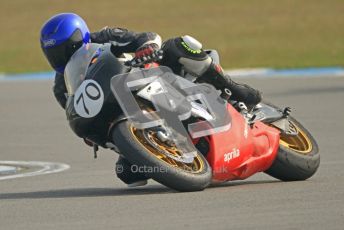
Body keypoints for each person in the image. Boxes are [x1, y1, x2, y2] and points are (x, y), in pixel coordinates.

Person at [40, 13, 262, 187]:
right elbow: (76, 111)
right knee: (127, 174)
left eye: (65, 48)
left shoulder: (106, 37)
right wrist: (91, 134)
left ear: (81, 35)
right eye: (54, 53)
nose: (61, 56)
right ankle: (169, 155)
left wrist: (147, 48)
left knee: (178, 45)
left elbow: (146, 36)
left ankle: (234, 89)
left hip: (153, 77)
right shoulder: (61, 87)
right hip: (121, 112)